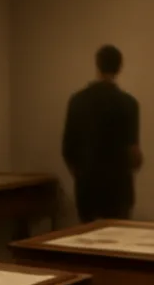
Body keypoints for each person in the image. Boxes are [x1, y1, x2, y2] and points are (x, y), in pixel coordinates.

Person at [61, 45, 143, 222]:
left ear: (97, 65)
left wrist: (82, 174)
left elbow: (67, 149)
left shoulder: (78, 101)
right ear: (119, 68)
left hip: (87, 190)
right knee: (117, 244)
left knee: (87, 245)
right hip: (118, 190)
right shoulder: (128, 104)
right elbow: (134, 154)